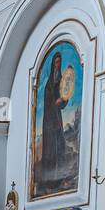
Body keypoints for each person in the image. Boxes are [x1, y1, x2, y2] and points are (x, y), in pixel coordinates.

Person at [40, 51, 68, 182]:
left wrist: (61, 101)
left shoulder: (61, 80)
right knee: (50, 146)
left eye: (59, 62)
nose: (58, 65)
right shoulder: (49, 83)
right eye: (56, 62)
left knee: (59, 143)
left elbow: (65, 95)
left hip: (57, 117)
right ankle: (48, 178)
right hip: (49, 118)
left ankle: (59, 176)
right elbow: (46, 99)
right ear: (53, 64)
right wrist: (53, 102)